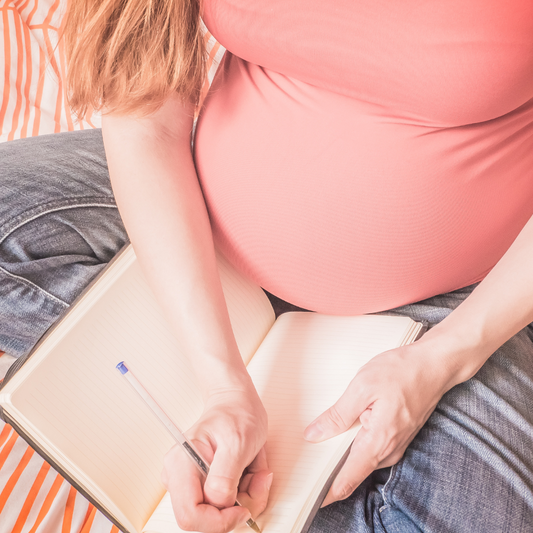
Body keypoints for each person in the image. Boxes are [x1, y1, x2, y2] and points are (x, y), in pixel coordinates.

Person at [1, 0, 533, 531]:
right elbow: (146, 116)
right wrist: (221, 382)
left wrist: (444, 360)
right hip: (203, 218)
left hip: (458, 301)